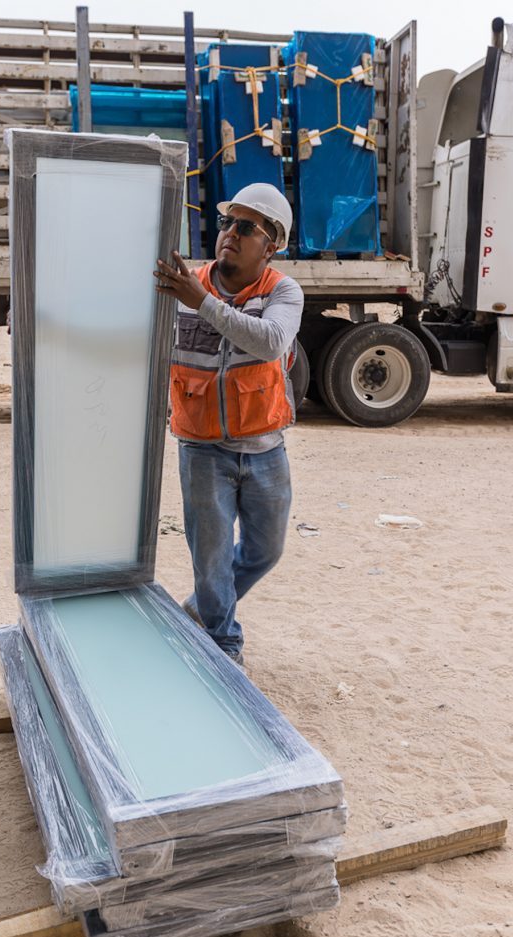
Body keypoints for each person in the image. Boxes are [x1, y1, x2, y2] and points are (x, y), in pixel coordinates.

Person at [154, 183, 304, 666]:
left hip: (264, 447)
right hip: (201, 447)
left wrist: (203, 303)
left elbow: (271, 341)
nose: (230, 234)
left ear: (271, 246)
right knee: (211, 556)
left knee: (265, 550)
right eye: (226, 223)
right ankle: (224, 642)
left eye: (245, 227)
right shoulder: (184, 285)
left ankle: (202, 606)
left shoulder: (282, 291)